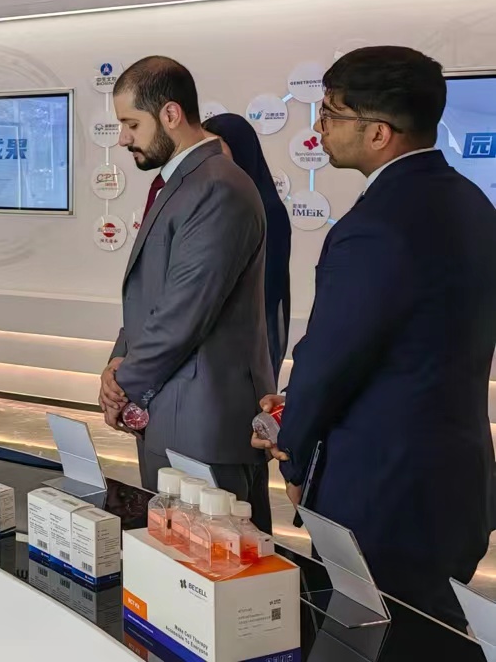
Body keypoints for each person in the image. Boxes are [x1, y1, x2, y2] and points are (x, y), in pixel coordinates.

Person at [255, 46, 496, 629]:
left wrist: (292, 445)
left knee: (370, 637)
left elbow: (332, 359)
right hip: (455, 479)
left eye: (331, 114)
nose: (320, 128)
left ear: (379, 133)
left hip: (384, 492)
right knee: (432, 633)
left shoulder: (375, 226)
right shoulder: (473, 202)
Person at [101, 57, 275, 532]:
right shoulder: (183, 184)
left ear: (171, 114)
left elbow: (183, 312)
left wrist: (122, 384)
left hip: (205, 422)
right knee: (173, 559)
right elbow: (150, 296)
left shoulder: (217, 187)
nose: (123, 139)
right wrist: (116, 364)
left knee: (218, 564)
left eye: (132, 124)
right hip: (172, 412)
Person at [202, 113, 292, 381]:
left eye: (217, 149)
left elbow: (267, 288)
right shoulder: (215, 200)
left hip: (247, 338)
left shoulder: (268, 209)